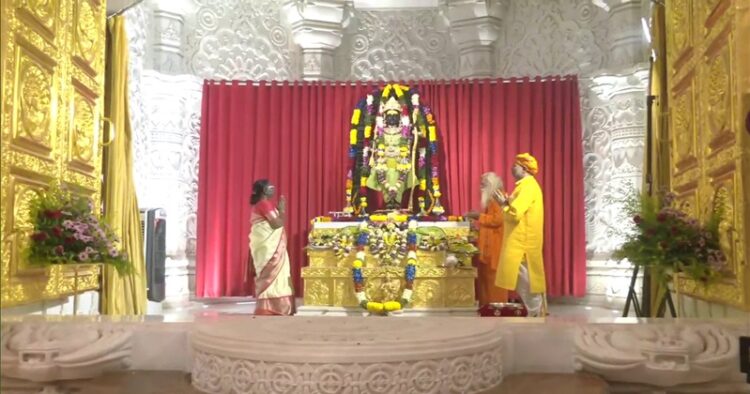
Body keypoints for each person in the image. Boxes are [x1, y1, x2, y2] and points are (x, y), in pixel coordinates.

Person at [493, 153, 547, 317]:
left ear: (523, 168)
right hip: (519, 239)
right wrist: (507, 202)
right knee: (522, 278)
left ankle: (535, 314)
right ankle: (535, 312)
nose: (511, 168)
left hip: (523, 242)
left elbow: (514, 214)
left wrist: (503, 204)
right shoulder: (524, 186)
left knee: (525, 280)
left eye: (515, 165)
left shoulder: (528, 187)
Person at [248, 179, 294, 315]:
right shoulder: (264, 204)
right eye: (270, 187)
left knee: (278, 273)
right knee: (274, 273)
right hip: (270, 248)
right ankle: (274, 308)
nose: (273, 189)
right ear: (264, 190)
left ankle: (272, 306)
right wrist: (282, 210)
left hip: (269, 245)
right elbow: (276, 224)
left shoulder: (263, 204)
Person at [465, 172, 508, 307]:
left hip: (495, 247)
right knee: (485, 278)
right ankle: (486, 307)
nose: (480, 187)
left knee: (493, 279)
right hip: (487, 247)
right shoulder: (492, 200)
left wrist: (478, 216)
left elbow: (497, 220)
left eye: (483, 185)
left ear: (490, 185)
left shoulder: (497, 198)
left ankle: (496, 308)